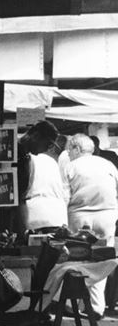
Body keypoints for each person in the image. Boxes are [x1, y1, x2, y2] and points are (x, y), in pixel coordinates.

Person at [62, 134, 118, 316]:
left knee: (77, 260)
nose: (68, 153)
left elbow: (65, 195)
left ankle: (73, 305)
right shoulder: (108, 165)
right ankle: (96, 306)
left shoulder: (71, 166)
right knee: (101, 260)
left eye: (70, 149)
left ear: (77, 149)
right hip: (107, 216)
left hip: (79, 216)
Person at [18, 121, 68, 232]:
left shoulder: (26, 157)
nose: (47, 149)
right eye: (48, 144)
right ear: (36, 136)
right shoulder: (18, 155)